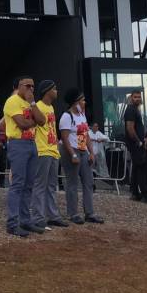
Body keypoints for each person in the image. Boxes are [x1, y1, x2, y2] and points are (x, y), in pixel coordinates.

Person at [3, 76, 43, 237]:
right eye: (27, 85)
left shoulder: (30, 103)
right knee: (18, 184)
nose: (31, 89)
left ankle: (25, 221)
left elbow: (43, 120)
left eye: (33, 86)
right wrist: (34, 120)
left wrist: (33, 104)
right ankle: (12, 223)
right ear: (19, 86)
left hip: (31, 143)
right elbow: (23, 123)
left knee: (29, 184)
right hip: (18, 143)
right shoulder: (12, 101)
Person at [59, 88, 104, 225]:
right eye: (82, 100)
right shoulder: (67, 116)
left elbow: (86, 135)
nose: (84, 102)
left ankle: (89, 212)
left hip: (83, 149)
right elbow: (65, 137)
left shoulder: (82, 115)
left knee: (88, 182)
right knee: (72, 183)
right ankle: (73, 213)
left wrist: (91, 152)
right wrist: (72, 154)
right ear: (75, 102)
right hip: (71, 150)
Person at [30, 80, 68, 229]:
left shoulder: (51, 107)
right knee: (40, 185)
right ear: (47, 91)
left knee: (51, 185)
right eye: (55, 89)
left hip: (52, 149)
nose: (57, 91)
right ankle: (38, 217)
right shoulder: (37, 106)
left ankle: (52, 215)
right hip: (42, 149)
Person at [123, 90, 147, 205]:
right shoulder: (131, 109)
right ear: (131, 98)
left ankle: (135, 193)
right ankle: (146, 195)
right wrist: (139, 142)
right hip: (135, 143)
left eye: (139, 97)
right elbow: (130, 128)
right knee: (142, 166)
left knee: (137, 166)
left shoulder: (134, 110)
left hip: (137, 143)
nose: (138, 99)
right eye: (135, 97)